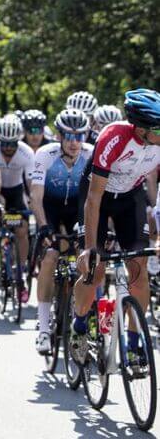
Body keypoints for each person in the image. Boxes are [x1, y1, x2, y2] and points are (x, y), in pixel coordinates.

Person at [69, 89, 160, 366]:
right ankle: (80, 324)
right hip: (99, 197)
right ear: (141, 129)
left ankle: (133, 342)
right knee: (94, 271)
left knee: (139, 267)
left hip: (130, 197)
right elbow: (94, 198)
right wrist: (89, 248)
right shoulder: (114, 137)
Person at [30, 109, 93, 354]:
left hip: (78, 209)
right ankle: (44, 329)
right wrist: (44, 226)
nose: (74, 141)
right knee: (50, 257)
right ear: (59, 136)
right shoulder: (45, 154)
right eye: (68, 135)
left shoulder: (90, 154)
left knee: (87, 260)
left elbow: (99, 194)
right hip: (51, 209)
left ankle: (84, 319)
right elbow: (36, 196)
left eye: (79, 136)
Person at [0, 114, 36, 304]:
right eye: (4, 144)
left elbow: (30, 184)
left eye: (12, 144)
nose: (8, 148)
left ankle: (20, 272)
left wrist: (34, 204)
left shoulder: (27, 153)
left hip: (17, 192)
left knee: (22, 229)